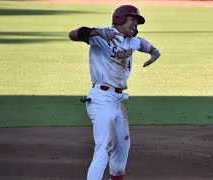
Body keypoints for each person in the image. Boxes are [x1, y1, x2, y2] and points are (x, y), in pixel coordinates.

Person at [68, 5, 160, 180]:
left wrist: (153, 51)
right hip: (101, 99)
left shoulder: (131, 40)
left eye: (137, 22)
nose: (135, 24)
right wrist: (96, 32)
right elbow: (72, 34)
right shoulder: (103, 35)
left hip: (116, 100)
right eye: (133, 20)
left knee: (122, 147)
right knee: (104, 149)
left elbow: (140, 43)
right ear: (120, 18)